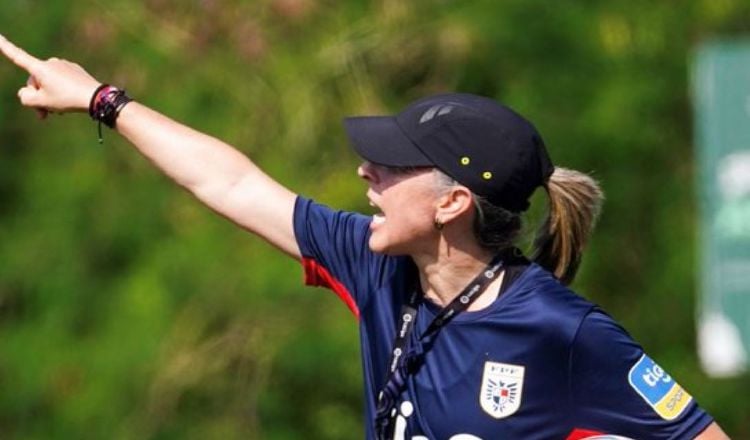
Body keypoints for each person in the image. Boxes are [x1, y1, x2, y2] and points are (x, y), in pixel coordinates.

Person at [0, 34, 730, 440]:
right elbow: (229, 183)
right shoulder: (379, 265)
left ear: (450, 202)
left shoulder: (560, 330)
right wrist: (104, 99)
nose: (364, 172)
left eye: (391, 167)